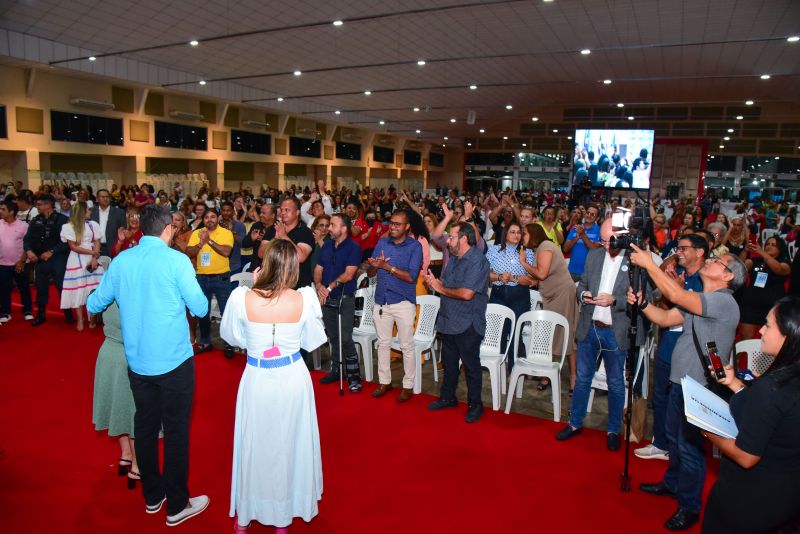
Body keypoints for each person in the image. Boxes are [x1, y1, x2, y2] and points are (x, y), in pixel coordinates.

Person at [87, 205, 210, 527]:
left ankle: (153, 497)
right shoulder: (176, 261)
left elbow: (94, 303)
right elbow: (199, 307)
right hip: (173, 362)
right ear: (168, 228)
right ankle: (177, 505)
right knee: (175, 432)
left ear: (141, 228)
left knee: (144, 426)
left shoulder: (123, 260)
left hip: (138, 362)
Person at [627, 244, 746, 531]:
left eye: (718, 261)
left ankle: (690, 506)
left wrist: (649, 265)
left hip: (700, 385)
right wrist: (643, 304)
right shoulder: (703, 299)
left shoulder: (723, 302)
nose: (712, 261)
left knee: (691, 448)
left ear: (727, 276)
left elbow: (676, 295)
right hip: (680, 381)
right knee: (674, 438)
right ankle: (672, 483)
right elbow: (666, 318)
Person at [220, 239, 326, 533]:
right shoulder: (304, 298)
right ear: (294, 266)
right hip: (292, 377)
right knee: (289, 444)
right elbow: (312, 341)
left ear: (265, 264)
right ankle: (284, 514)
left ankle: (246, 516)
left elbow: (233, 336)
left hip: (257, 377)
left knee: (254, 443)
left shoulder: (242, 298)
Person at [701, 297, 800, 533]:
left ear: (787, 335)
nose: (761, 330)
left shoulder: (772, 387)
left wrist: (707, 430)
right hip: (787, 494)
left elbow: (747, 456)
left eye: (768, 325)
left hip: (749, 501)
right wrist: (735, 383)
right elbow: (771, 415)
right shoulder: (788, 379)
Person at [556, 218, 646, 451]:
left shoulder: (635, 260)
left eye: (610, 241)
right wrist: (583, 293)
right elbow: (581, 283)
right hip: (590, 326)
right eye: (603, 240)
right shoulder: (594, 255)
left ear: (623, 236)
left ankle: (613, 429)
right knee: (582, 378)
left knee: (616, 383)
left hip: (616, 331)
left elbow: (647, 298)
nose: (606, 245)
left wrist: (615, 300)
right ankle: (575, 423)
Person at [635, 234, 707, 462]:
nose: (679, 252)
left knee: (680, 401)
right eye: (678, 247)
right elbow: (670, 304)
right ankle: (661, 443)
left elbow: (681, 305)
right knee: (661, 395)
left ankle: (678, 450)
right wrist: (675, 286)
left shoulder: (706, 280)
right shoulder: (687, 276)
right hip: (669, 340)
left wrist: (674, 288)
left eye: (684, 248)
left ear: (700, 252)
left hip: (687, 347)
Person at [424, 221, 490, 423]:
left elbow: (467, 294)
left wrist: (439, 288)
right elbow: (446, 283)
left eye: (451, 236)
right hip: (448, 319)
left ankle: (475, 405)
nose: (448, 240)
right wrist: (435, 283)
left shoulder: (478, 261)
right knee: (450, 364)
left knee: (471, 367)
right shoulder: (453, 258)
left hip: (468, 322)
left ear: (464, 238)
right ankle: (448, 397)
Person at [368, 210, 423, 403]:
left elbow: (411, 277)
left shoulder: (414, 246)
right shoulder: (382, 243)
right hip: (382, 300)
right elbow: (370, 273)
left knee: (406, 345)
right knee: (383, 344)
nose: (392, 227)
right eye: (391, 223)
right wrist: (374, 265)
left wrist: (387, 267)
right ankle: (385, 382)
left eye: (397, 224)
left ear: (407, 227)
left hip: (403, 302)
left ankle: (408, 385)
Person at [520, 223, 578, 391]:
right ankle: (548, 374)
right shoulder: (541, 248)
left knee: (564, 334)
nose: (523, 237)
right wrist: (533, 281)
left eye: (525, 234)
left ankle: (573, 377)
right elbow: (543, 276)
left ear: (533, 234)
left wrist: (523, 262)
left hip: (562, 294)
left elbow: (542, 273)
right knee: (553, 334)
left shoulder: (546, 246)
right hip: (553, 295)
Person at [92, 301, 141, 489]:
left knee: (117, 406)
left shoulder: (108, 283)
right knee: (132, 411)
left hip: (108, 353)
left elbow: (93, 305)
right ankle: (137, 464)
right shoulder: (134, 287)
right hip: (130, 357)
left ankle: (126, 455)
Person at [314, 213, 363, 392]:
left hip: (345, 297)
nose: (329, 228)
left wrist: (329, 287)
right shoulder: (327, 246)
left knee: (346, 338)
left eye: (332, 225)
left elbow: (349, 274)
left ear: (343, 229)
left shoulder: (353, 248)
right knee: (333, 337)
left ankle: (354, 375)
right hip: (327, 297)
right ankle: (336, 370)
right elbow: (318, 269)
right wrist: (319, 285)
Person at [486, 222, 536, 371]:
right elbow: (484, 274)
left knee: (516, 334)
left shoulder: (527, 253)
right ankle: (497, 369)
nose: (516, 235)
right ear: (505, 234)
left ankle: (515, 370)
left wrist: (513, 278)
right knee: (500, 332)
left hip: (519, 295)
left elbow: (531, 280)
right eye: (512, 232)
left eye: (518, 232)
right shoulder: (494, 250)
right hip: (498, 294)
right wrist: (499, 277)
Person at [187, 209, 235, 357]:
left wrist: (209, 241)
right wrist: (201, 244)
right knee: (203, 311)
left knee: (225, 311)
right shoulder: (197, 233)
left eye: (212, 217)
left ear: (217, 218)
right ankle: (206, 341)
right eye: (206, 217)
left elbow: (226, 252)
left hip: (221, 277)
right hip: (202, 277)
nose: (209, 220)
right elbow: (189, 252)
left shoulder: (226, 233)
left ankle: (229, 344)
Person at [23, 194, 72, 326]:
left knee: (62, 286)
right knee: (40, 287)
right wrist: (29, 251)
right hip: (40, 259)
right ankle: (41, 314)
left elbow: (68, 242)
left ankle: (69, 313)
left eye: (39, 204)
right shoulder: (35, 220)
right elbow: (27, 239)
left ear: (48, 205)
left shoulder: (63, 220)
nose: (37, 207)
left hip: (58, 258)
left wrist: (52, 251)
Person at [60, 201, 103, 331]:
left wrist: (94, 258)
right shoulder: (68, 227)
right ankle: (80, 319)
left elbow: (97, 242)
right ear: (82, 212)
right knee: (77, 289)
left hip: (92, 260)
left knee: (94, 289)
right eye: (88, 210)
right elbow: (73, 246)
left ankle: (93, 317)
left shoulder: (93, 225)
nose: (90, 212)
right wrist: (92, 252)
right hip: (76, 260)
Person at [737, 236, 790, 340]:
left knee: (769, 340)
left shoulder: (785, 263)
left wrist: (761, 251)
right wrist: (745, 250)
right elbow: (738, 267)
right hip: (750, 306)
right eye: (768, 244)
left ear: (780, 249)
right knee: (745, 340)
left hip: (772, 309)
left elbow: (779, 269)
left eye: (773, 245)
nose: (769, 246)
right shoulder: (755, 260)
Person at [257, 197, 315, 288]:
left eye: (287, 210)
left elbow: (301, 257)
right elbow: (260, 254)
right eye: (281, 210)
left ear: (297, 212)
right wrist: (275, 239)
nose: (283, 213)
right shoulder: (273, 229)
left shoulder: (305, 232)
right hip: (273, 282)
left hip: (297, 285)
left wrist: (284, 236)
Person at [0, 201, 33, 322]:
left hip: (20, 263)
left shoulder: (24, 226)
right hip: (2, 264)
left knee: (24, 287)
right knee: (4, 289)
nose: (0, 211)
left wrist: (22, 261)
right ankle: (5, 312)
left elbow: (27, 245)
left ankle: (27, 310)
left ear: (11, 211)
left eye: (3, 209)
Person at [563, 204, 602, 281]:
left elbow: (594, 250)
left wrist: (583, 235)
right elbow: (565, 249)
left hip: (588, 273)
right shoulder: (575, 228)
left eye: (592, 214)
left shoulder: (600, 231)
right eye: (588, 213)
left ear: (597, 218)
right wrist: (576, 237)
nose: (589, 215)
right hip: (571, 271)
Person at [90, 189, 126, 257]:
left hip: (112, 247)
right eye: (103, 197)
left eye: (107, 197)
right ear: (97, 199)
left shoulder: (119, 212)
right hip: (94, 247)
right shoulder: (91, 212)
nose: (105, 199)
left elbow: (123, 230)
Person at [220, 200, 247, 276]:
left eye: (228, 210)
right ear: (220, 211)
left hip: (235, 266)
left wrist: (231, 231)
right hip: (219, 266)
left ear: (233, 211)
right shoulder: (216, 226)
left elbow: (242, 244)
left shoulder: (240, 226)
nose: (226, 213)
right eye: (223, 210)